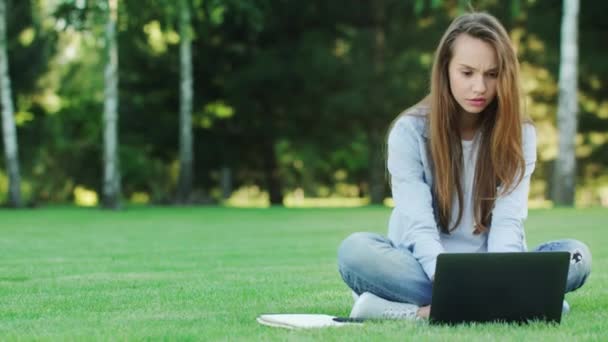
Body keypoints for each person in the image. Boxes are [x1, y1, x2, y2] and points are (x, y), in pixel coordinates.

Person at [337, 11, 592, 320]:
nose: (480, 87)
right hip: (423, 267)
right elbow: (419, 227)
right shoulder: (409, 132)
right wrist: (459, 284)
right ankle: (520, 304)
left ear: (506, 76)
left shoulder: (520, 133)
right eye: (467, 72)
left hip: (493, 267)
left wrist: (495, 278)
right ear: (445, 70)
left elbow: (508, 223)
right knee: (355, 252)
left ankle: (418, 312)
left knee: (578, 256)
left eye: (492, 74)